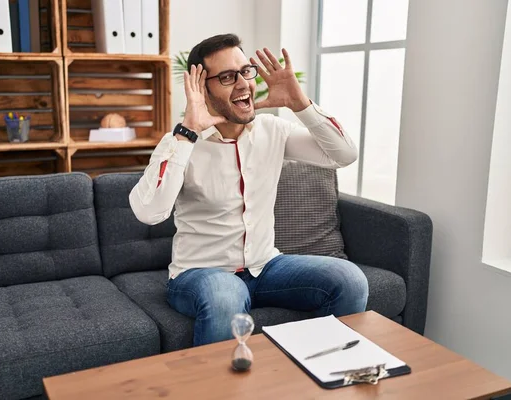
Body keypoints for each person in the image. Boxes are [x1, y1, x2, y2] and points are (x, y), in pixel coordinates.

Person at [129, 33, 368, 347]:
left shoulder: (273, 130)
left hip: (267, 266)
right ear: (203, 88)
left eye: (245, 72)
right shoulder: (183, 143)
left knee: (349, 281)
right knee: (226, 298)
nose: (243, 83)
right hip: (201, 273)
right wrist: (187, 132)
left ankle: (319, 374)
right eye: (228, 77)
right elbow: (149, 212)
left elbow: (344, 154)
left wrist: (301, 104)